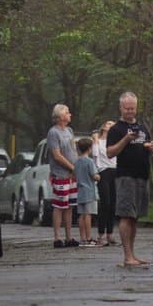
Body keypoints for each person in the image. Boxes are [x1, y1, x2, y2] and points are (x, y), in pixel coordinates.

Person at [106, 91, 153, 267]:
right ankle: (127, 256)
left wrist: (150, 148)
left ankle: (133, 254)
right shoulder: (116, 129)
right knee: (126, 215)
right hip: (125, 176)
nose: (130, 111)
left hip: (142, 175)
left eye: (133, 108)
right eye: (127, 108)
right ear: (120, 107)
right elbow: (110, 152)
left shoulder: (142, 127)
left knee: (135, 217)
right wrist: (126, 139)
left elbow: (148, 145)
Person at [47, 103, 79, 248]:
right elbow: (57, 155)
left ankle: (69, 237)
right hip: (60, 174)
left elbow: (73, 150)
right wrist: (71, 167)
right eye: (67, 112)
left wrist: (77, 167)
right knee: (59, 205)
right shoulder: (53, 133)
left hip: (72, 175)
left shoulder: (69, 131)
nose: (70, 114)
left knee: (70, 205)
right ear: (60, 116)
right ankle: (57, 238)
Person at [92, 119, 116, 246]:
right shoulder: (98, 141)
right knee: (105, 202)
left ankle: (110, 233)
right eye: (109, 124)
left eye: (113, 125)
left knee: (113, 203)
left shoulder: (116, 141)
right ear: (104, 127)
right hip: (103, 171)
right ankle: (101, 234)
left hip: (115, 171)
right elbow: (95, 155)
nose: (111, 126)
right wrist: (96, 141)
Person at [74, 136, 100, 247]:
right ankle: (89, 238)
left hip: (80, 191)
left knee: (81, 215)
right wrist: (99, 176)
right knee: (88, 215)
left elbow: (74, 174)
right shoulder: (90, 161)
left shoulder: (77, 162)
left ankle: (82, 238)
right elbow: (94, 176)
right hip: (90, 191)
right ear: (89, 148)